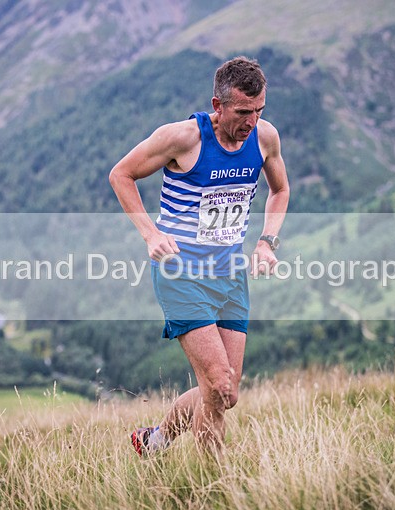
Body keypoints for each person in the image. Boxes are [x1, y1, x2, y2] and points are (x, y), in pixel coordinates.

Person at [110, 56, 290, 456]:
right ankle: (216, 488)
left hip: (230, 274)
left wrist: (267, 241)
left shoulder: (264, 138)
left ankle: (154, 441)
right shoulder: (182, 139)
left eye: (259, 111)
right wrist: (150, 234)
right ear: (218, 105)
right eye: (243, 112)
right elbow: (121, 174)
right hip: (182, 274)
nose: (251, 121)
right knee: (217, 383)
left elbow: (280, 190)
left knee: (228, 392)